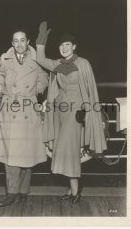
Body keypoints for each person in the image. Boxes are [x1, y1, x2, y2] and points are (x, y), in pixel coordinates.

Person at [35, 22, 107, 203]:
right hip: (59, 113)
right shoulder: (58, 64)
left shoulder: (83, 64)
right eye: (61, 45)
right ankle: (72, 189)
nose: (64, 47)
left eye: (68, 45)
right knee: (65, 151)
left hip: (75, 114)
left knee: (69, 151)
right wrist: (41, 40)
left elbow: (90, 90)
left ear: (74, 47)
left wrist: (85, 109)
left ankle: (76, 191)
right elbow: (41, 60)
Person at [0, 28, 48, 207]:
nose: (19, 44)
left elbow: (44, 76)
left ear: (28, 41)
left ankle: (23, 190)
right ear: (12, 43)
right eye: (15, 41)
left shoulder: (36, 59)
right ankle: (12, 193)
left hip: (28, 108)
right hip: (10, 109)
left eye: (22, 40)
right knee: (11, 156)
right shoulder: (6, 59)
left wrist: (40, 85)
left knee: (27, 154)